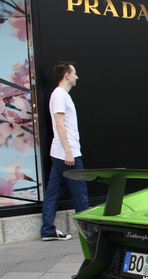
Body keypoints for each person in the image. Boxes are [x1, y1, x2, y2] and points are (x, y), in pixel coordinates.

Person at [40, 62, 89, 241]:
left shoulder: (61, 95)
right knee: (80, 192)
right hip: (68, 154)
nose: (77, 76)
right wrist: (69, 152)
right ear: (67, 75)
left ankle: (47, 230)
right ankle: (89, 231)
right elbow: (59, 126)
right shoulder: (60, 95)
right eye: (74, 73)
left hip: (60, 154)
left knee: (53, 192)